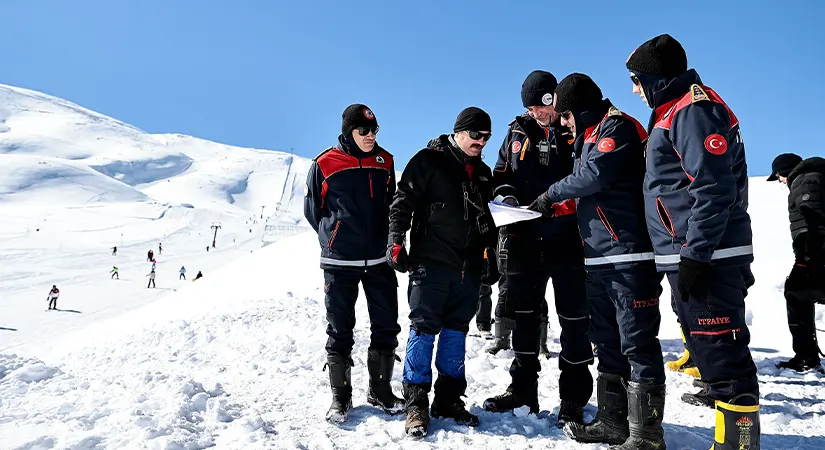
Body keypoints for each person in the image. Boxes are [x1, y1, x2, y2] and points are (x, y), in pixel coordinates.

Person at [627, 34, 760, 448]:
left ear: (656, 77)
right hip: (690, 252)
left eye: (637, 79)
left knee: (726, 363)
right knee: (710, 357)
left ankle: (738, 445)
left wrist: (696, 255)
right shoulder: (672, 110)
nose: (634, 89)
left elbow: (714, 187)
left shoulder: (694, 110)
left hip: (709, 255)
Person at [529, 74, 665, 448]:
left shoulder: (616, 128)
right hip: (598, 257)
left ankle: (647, 436)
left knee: (637, 344)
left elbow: (594, 175)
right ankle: (613, 422)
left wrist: (551, 194)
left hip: (628, 255)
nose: (564, 123)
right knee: (607, 342)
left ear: (579, 109)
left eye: (566, 115)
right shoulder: (588, 135)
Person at [482, 70, 593, 427]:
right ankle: (522, 391)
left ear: (553, 99)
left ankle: (573, 399)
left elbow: (588, 175)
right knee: (524, 318)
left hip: (567, 238)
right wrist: (507, 196)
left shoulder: (575, 128)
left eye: (538, 106)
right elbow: (500, 175)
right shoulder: (517, 131)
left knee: (574, 321)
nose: (535, 114)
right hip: (524, 238)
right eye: (529, 108)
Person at [388, 107, 499, 438]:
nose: (481, 142)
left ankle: (448, 399)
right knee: (423, 328)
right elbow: (402, 202)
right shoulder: (428, 161)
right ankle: (417, 402)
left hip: (467, 268)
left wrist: (491, 255)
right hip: (430, 263)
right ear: (460, 132)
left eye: (487, 137)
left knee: (456, 331)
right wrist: (396, 240)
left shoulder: (482, 174)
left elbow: (492, 219)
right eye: (476, 135)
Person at [304, 104, 403, 424]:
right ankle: (340, 397)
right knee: (340, 329)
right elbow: (313, 210)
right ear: (349, 132)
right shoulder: (324, 163)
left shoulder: (384, 161)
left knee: (387, 326)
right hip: (339, 261)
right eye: (364, 131)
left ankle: (380, 389)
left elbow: (392, 204)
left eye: (374, 130)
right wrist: (333, 237)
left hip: (379, 260)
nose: (371, 136)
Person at [768, 153, 825, 373]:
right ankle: (806, 355)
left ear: (783, 171)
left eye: (779, 177)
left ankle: (806, 357)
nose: (780, 182)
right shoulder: (815, 177)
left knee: (796, 293)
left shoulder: (805, 181)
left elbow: (813, 217)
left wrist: (808, 256)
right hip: (814, 252)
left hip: (814, 252)